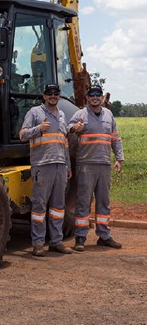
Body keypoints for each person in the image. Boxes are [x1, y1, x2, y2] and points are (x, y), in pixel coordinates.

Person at [67, 83, 124, 251]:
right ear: (87, 97)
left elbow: (115, 138)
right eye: (92, 94)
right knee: (83, 201)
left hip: (104, 164)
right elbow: (67, 128)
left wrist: (119, 159)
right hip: (86, 164)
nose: (95, 97)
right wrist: (73, 128)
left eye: (98, 94)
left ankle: (104, 236)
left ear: (102, 97)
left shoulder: (109, 115)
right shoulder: (80, 114)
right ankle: (80, 237)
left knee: (103, 202)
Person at [20, 83, 72, 257]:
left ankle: (56, 241)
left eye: (56, 93)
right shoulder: (35, 113)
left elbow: (64, 141)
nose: (53, 96)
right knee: (39, 206)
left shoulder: (62, 115)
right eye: (49, 93)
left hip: (60, 165)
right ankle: (38, 243)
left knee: (58, 207)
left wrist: (68, 165)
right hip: (42, 165)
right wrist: (38, 129)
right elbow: (23, 134)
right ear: (43, 96)